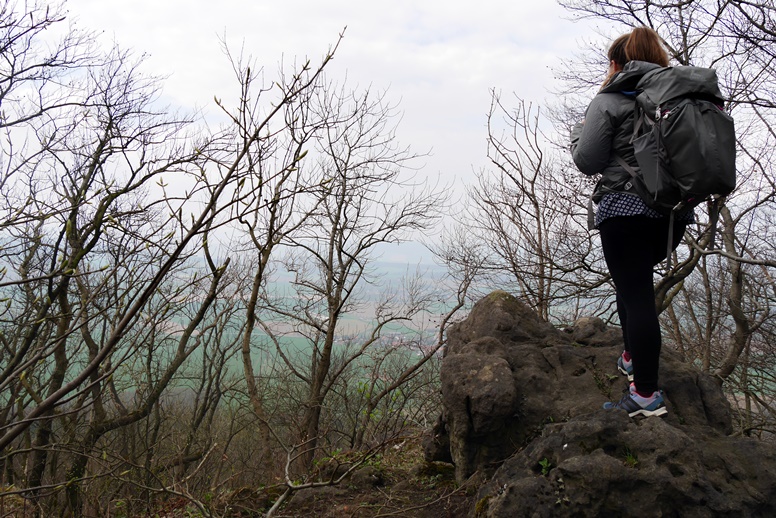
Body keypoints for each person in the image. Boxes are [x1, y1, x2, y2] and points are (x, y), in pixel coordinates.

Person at [569, 27, 692, 417]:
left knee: (636, 294)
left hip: (625, 212)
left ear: (616, 62)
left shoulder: (609, 100)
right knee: (632, 283)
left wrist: (577, 134)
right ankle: (630, 355)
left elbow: (587, 161)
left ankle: (645, 395)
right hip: (671, 217)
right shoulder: (679, 97)